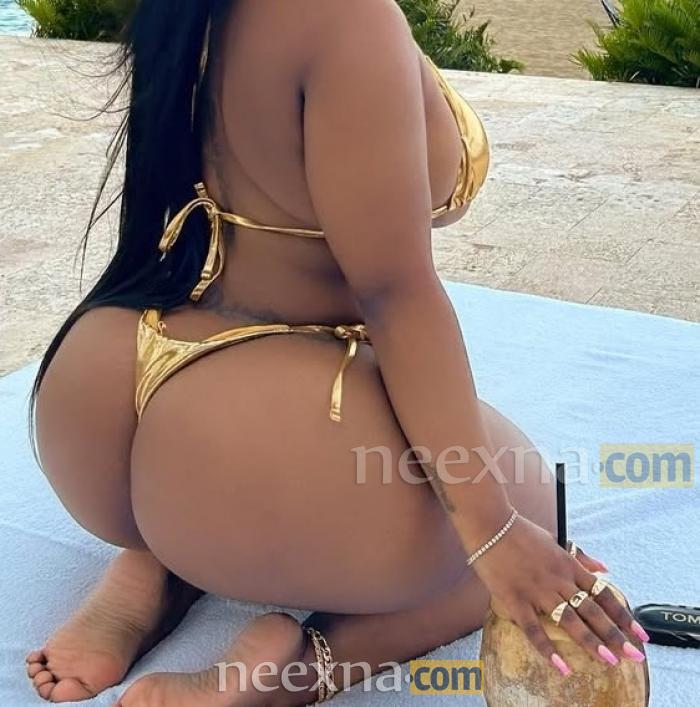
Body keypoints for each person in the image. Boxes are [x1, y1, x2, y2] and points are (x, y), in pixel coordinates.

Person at [25, 1, 648, 705]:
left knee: (480, 494)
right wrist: (496, 531)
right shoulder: (345, 17)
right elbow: (394, 294)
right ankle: (300, 668)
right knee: (532, 507)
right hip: (237, 442)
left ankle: (155, 565)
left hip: (97, 391)